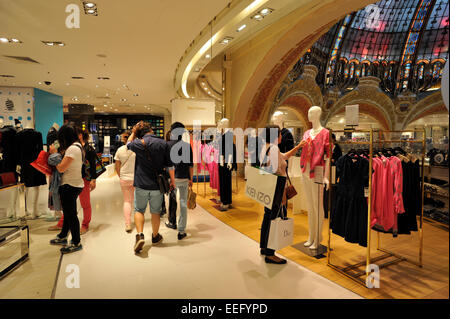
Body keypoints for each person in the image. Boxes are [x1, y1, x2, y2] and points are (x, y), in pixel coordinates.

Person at [259, 125, 305, 264]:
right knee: (273, 218)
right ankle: (270, 254)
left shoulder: (266, 147)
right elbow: (274, 170)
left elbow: (283, 157)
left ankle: (264, 246)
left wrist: (297, 148)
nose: (281, 137)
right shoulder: (273, 148)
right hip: (276, 187)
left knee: (268, 216)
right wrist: (283, 193)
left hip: (268, 187)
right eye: (279, 134)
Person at [127, 121, 175, 253]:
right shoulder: (163, 143)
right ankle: (155, 236)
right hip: (157, 185)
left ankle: (140, 235)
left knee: (139, 210)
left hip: (141, 183)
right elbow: (169, 165)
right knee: (155, 212)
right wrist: (173, 181)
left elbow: (127, 144)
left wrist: (133, 132)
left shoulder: (138, 143)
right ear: (151, 131)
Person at [48, 128, 97, 234]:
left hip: (83, 178)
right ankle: (62, 224)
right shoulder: (70, 147)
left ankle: (85, 224)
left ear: (80, 135)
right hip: (70, 178)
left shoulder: (87, 148)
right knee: (68, 205)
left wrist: (93, 179)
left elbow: (93, 165)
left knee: (85, 204)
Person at [48, 124, 84, 254]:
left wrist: (54, 155)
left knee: (71, 214)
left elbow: (61, 168)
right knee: (69, 214)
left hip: (70, 185)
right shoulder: (78, 146)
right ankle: (63, 235)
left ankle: (76, 242)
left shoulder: (72, 149)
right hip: (74, 184)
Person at [165, 122, 193, 240]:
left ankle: (172, 222)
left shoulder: (167, 145)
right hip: (184, 178)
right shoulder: (187, 146)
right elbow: (190, 166)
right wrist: (191, 179)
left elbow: (165, 164)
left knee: (171, 201)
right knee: (183, 204)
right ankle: (181, 231)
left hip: (172, 179)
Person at [114, 131, 136, 232]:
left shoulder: (119, 150)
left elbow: (117, 166)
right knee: (137, 201)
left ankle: (128, 224)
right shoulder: (137, 150)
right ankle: (139, 220)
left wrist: (121, 176)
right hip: (136, 178)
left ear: (124, 139)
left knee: (127, 201)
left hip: (124, 179)